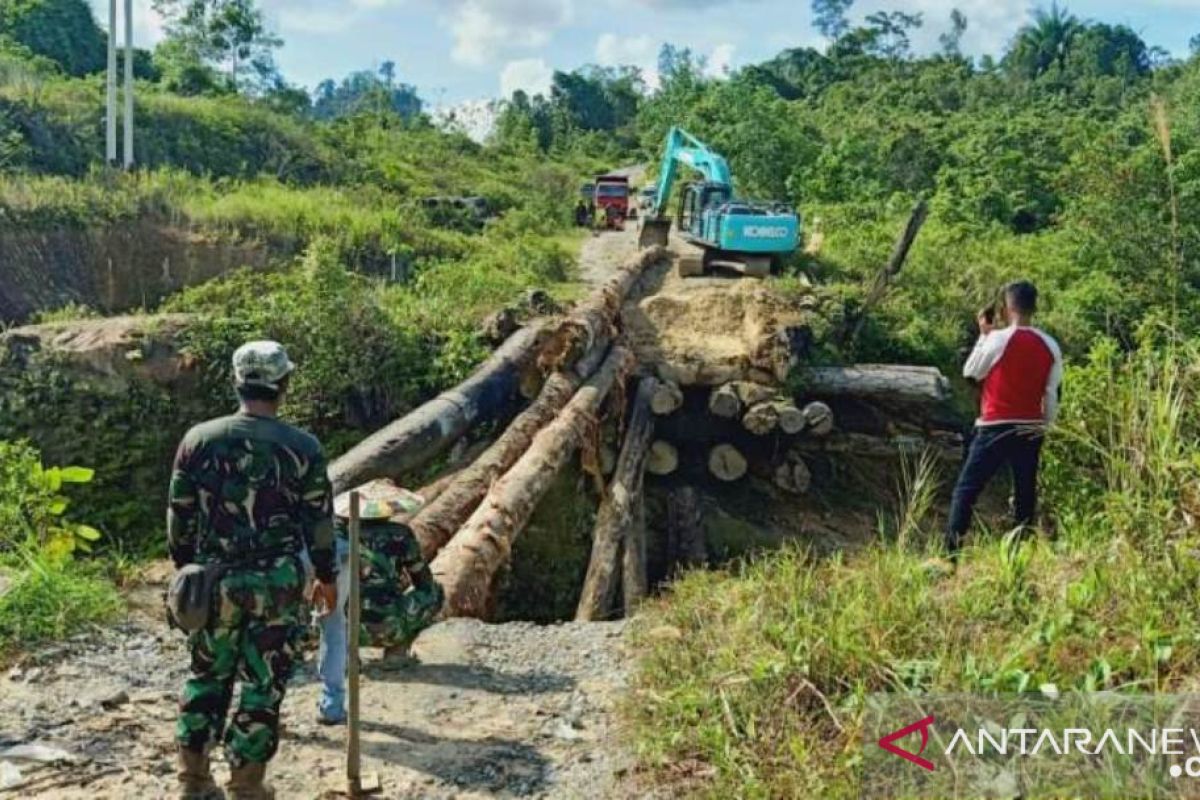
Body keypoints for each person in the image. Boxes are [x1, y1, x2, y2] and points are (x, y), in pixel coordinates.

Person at [168, 340, 338, 800]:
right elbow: (319, 521)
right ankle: (247, 785)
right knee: (263, 682)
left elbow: (179, 514)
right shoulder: (303, 447)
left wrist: (187, 572)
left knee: (206, 676)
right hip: (277, 584)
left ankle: (193, 782)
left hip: (214, 579)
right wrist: (326, 576)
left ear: (237, 382)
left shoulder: (198, 439)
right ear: (283, 384)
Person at [945, 281, 1063, 556]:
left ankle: (951, 553)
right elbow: (1051, 392)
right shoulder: (1050, 345)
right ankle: (1020, 553)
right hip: (1031, 426)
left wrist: (984, 336)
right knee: (1025, 492)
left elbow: (971, 371)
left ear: (1007, 307)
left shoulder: (998, 339)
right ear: (1035, 307)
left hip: (995, 424)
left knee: (967, 488)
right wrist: (1046, 425)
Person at [312, 480, 444, 725]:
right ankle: (395, 651)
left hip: (345, 627)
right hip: (388, 624)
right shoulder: (399, 534)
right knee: (435, 592)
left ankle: (347, 657)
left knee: (337, 606)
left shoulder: (335, 533)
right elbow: (423, 580)